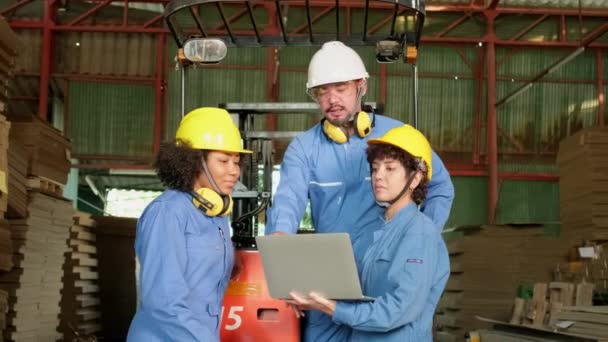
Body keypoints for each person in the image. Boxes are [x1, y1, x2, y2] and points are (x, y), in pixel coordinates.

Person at [265, 41, 454, 341]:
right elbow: (288, 202)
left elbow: (441, 188)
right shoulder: (304, 148)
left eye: (340, 88)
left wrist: (419, 237)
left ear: (361, 86)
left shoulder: (395, 139)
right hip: (327, 281)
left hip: (378, 278)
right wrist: (283, 255)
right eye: (322, 92)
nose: (332, 99)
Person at [288, 124, 450, 341]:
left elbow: (397, 310)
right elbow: (357, 293)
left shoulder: (420, 233)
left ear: (416, 178)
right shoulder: (376, 230)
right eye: (375, 168)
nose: (378, 176)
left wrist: (332, 308)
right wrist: (309, 297)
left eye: (390, 168)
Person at [127, 107, 252, 341]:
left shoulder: (217, 214)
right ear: (194, 162)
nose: (234, 171)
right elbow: (163, 301)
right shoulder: (168, 213)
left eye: (237, 162)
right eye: (223, 161)